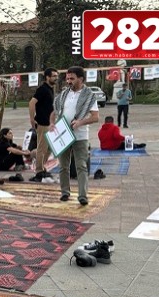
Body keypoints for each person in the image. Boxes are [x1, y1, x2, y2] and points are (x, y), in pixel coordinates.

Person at [49, 66, 99, 206]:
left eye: (72, 78)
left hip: (80, 136)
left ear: (81, 79)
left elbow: (95, 117)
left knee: (81, 166)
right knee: (63, 166)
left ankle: (83, 195)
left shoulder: (89, 95)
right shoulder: (64, 94)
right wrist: (52, 123)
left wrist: (81, 122)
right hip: (63, 134)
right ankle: (65, 192)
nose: (69, 81)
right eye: (67, 78)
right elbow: (55, 111)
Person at [29, 68, 58, 176]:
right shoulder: (43, 89)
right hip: (42, 123)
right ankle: (39, 170)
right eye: (54, 76)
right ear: (47, 77)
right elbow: (32, 103)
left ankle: (42, 166)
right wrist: (32, 119)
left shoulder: (50, 89)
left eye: (56, 76)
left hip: (49, 123)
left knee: (50, 147)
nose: (56, 78)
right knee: (42, 147)